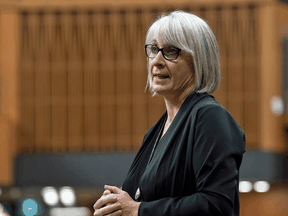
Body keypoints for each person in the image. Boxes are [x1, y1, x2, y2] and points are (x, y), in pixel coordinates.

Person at [93, 10, 245, 216]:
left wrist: (139, 210)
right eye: (154, 49)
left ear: (199, 59)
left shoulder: (209, 117)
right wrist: (117, 206)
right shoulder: (155, 132)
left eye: (171, 51)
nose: (157, 60)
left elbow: (216, 205)